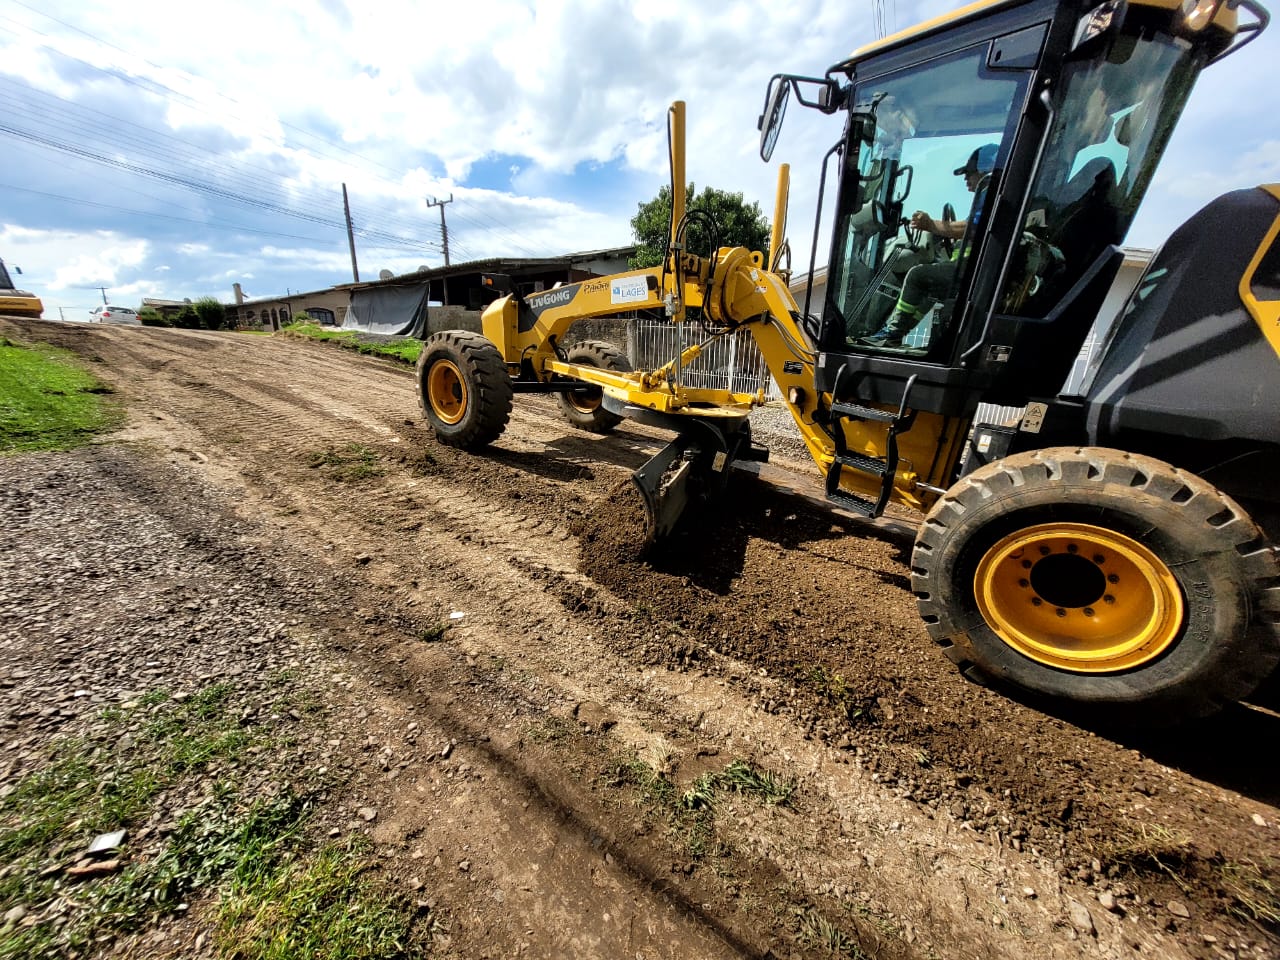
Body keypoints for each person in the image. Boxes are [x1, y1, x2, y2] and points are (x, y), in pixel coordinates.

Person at [859, 143, 998, 348]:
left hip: (974, 270)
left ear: (985, 167)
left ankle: (892, 333)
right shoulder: (994, 195)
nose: (966, 178)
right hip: (978, 270)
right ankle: (899, 333)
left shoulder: (990, 189)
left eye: (969, 172)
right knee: (931, 286)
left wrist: (932, 225)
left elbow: (974, 228)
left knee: (917, 276)